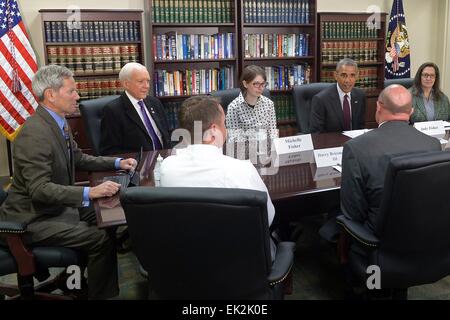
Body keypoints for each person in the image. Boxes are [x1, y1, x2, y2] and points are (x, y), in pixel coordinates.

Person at [0, 65, 137, 299]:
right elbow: (39, 190)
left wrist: (116, 163)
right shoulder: (35, 133)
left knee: (112, 210)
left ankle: (84, 281)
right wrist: (89, 192)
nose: (78, 96)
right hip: (32, 218)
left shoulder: (57, 122)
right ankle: (102, 295)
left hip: (55, 207)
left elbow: (79, 157)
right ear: (51, 95)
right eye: (71, 91)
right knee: (99, 237)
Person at [160, 96, 276, 258]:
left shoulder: (167, 167)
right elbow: (267, 218)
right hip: (238, 261)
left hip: (187, 258)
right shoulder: (242, 170)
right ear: (214, 130)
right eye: (225, 123)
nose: (227, 129)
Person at [341, 85, 441, 237]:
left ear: (378, 107)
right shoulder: (433, 144)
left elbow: (353, 213)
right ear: (411, 111)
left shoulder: (355, 148)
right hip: (428, 236)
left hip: (380, 239)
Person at [100, 62, 171, 155]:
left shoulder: (155, 102)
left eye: (148, 81)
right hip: (139, 164)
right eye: (141, 81)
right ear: (126, 84)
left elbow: (167, 136)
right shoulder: (113, 111)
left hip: (165, 160)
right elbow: (109, 151)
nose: (146, 86)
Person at [309, 58, 366, 133]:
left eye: (352, 75)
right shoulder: (321, 99)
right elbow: (316, 134)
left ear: (357, 76)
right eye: (343, 75)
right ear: (336, 75)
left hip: (353, 142)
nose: (347, 80)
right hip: (331, 143)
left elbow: (360, 127)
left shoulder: (360, 95)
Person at [226, 65, 278, 143]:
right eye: (256, 84)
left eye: (263, 84)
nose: (261, 88)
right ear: (245, 84)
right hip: (245, 152)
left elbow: (273, 134)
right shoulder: (234, 107)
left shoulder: (269, 104)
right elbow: (233, 140)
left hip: (266, 151)